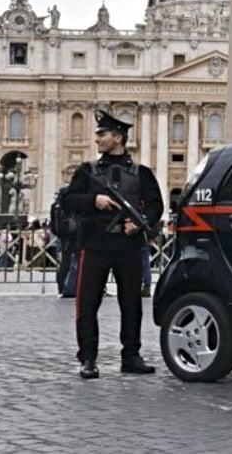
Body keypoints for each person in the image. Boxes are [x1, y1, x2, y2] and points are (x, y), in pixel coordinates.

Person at [62, 109, 163, 379]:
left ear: (118, 138)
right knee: (88, 303)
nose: (97, 139)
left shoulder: (142, 173)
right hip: (95, 244)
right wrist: (93, 201)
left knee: (132, 304)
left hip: (129, 245)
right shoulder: (87, 171)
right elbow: (68, 200)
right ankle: (88, 358)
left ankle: (131, 356)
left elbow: (156, 206)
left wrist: (140, 224)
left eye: (102, 134)